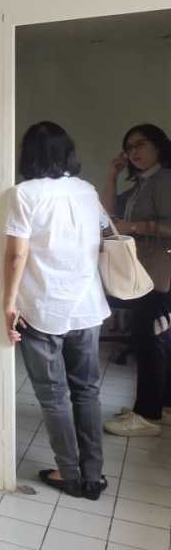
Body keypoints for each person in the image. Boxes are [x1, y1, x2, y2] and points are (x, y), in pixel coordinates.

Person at [4, 121, 110, 500]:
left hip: (43, 308)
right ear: (67, 152)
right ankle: (93, 475)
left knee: (54, 396)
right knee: (87, 391)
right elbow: (103, 236)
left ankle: (69, 474)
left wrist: (8, 303)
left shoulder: (24, 194)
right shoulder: (87, 190)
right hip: (87, 306)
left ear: (28, 154)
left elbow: (16, 255)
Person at [101, 123, 171, 437]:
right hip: (146, 273)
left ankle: (146, 415)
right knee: (157, 339)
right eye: (129, 147)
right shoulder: (144, 182)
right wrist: (112, 176)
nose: (133, 152)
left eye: (140, 144)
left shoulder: (165, 179)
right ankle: (163, 407)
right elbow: (107, 216)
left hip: (161, 273)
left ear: (159, 145)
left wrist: (136, 227)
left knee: (151, 340)